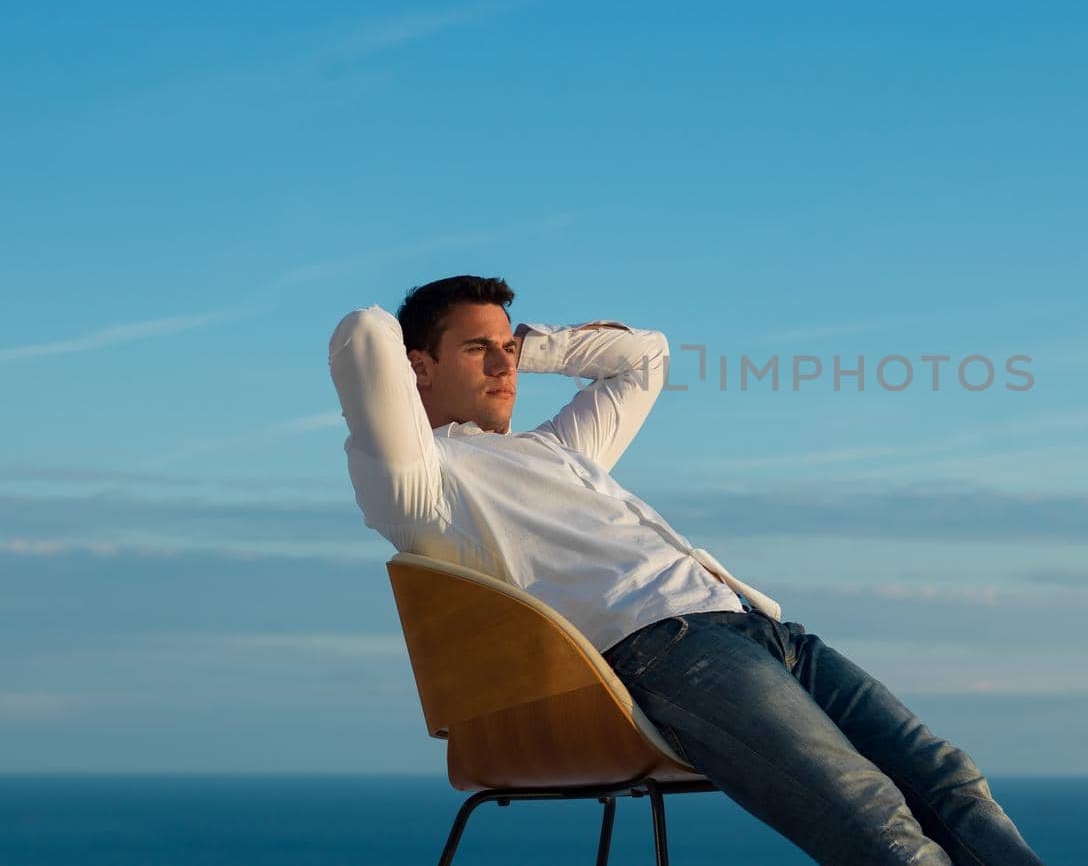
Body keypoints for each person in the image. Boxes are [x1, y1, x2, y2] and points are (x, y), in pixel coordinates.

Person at [328, 274, 1044, 866]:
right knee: (873, 814)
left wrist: (530, 344)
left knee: (950, 779)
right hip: (664, 653)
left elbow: (646, 355)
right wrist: (410, 343)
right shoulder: (425, 482)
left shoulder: (559, 449)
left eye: (508, 348)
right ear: (415, 366)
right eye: (478, 350)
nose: (504, 365)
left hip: (762, 631)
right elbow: (365, 331)